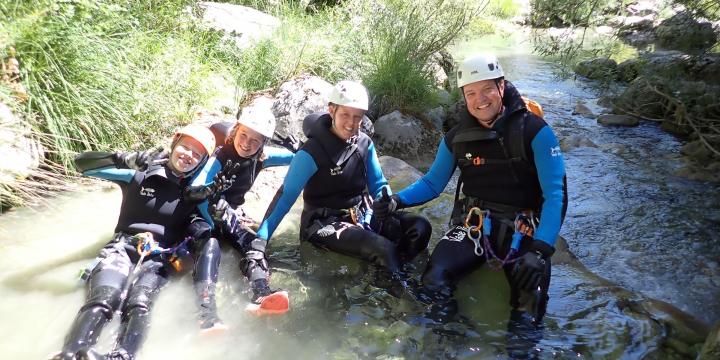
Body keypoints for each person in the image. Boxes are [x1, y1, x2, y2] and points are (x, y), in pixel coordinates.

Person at [374, 53, 567, 325]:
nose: (481, 99)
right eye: (471, 92)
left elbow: (555, 194)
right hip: (474, 225)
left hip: (524, 226)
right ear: (464, 96)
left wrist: (540, 250)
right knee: (433, 279)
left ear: (502, 86)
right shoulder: (457, 138)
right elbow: (432, 183)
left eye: (488, 88)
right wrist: (396, 201)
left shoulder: (535, 132)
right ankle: (449, 342)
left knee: (529, 304)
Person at [50, 125, 218, 360]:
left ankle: (123, 356)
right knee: (103, 299)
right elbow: (81, 165)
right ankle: (69, 354)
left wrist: (208, 202)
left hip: (158, 257)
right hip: (121, 248)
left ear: (201, 163)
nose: (188, 155)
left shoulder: (194, 194)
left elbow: (209, 231)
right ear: (173, 145)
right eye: (185, 146)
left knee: (139, 303)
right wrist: (122, 158)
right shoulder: (138, 174)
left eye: (197, 154)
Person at [255, 80, 432, 289]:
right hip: (322, 223)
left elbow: (379, 184)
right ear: (332, 110)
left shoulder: (364, 143)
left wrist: (385, 202)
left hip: (361, 214)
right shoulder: (311, 152)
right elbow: (285, 197)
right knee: (383, 249)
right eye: (345, 115)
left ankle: (392, 276)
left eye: (357, 116)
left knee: (420, 228)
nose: (351, 122)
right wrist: (259, 242)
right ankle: (403, 296)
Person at [187, 105, 294, 331]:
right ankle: (206, 313)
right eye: (243, 135)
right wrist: (207, 195)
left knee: (254, 245)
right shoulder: (220, 156)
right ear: (235, 131)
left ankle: (262, 294)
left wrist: (300, 148)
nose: (247, 143)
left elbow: (295, 157)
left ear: (264, 143)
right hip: (203, 214)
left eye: (255, 140)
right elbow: (196, 186)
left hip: (230, 216)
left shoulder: (261, 157)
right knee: (211, 246)